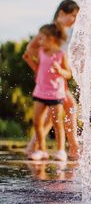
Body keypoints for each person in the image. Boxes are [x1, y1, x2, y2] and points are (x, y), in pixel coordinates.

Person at [23, 0, 80, 160]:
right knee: (69, 107)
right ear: (62, 13)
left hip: (59, 78)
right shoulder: (50, 31)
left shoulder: (66, 32)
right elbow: (30, 48)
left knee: (54, 115)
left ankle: (34, 146)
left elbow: (66, 54)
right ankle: (73, 147)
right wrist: (39, 68)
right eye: (73, 16)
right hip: (51, 80)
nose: (75, 19)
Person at [26, 24, 71, 161]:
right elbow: (39, 69)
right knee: (37, 122)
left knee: (57, 122)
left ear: (51, 39)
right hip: (40, 91)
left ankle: (61, 150)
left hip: (55, 94)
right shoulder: (41, 52)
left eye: (42, 39)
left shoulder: (61, 55)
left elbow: (68, 74)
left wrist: (60, 71)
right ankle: (41, 149)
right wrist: (29, 62)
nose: (40, 42)